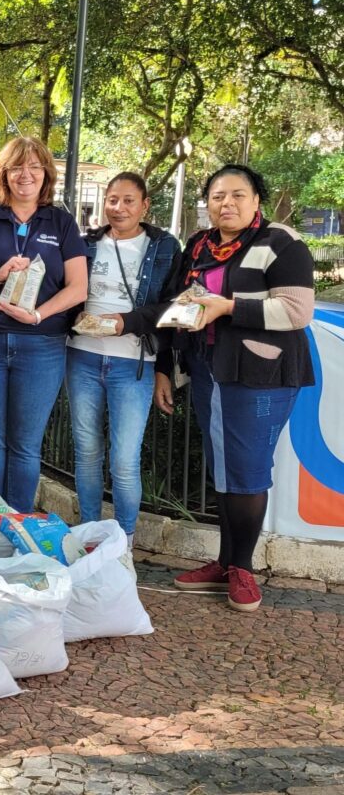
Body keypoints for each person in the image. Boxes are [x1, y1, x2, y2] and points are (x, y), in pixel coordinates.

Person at [124, 165, 313, 613]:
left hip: (259, 376)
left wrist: (228, 307)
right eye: (216, 196)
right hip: (209, 370)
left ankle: (242, 568)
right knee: (225, 469)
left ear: (256, 201)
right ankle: (225, 561)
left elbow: (295, 310)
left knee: (246, 471)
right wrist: (165, 366)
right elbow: (177, 305)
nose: (225, 203)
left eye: (237, 195)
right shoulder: (199, 246)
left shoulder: (280, 243)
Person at [0, 137, 87, 513]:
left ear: (45, 174)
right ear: (4, 175)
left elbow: (78, 288)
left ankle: (18, 528)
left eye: (33, 167)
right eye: (16, 167)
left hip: (42, 345)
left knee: (26, 445)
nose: (25, 175)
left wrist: (39, 314)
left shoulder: (61, 222)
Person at [64, 172, 180, 545]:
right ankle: (89, 534)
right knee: (86, 452)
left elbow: (173, 309)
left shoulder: (163, 247)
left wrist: (160, 364)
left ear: (145, 205)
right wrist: (74, 319)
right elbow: (67, 292)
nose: (119, 208)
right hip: (81, 357)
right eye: (112, 199)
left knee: (124, 460)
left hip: (133, 365)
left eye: (129, 200)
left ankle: (124, 542)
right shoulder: (86, 245)